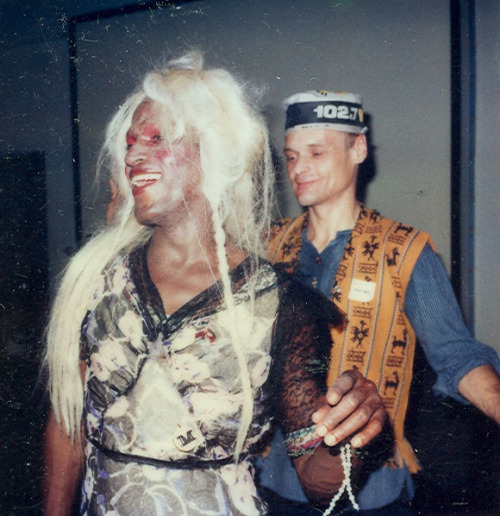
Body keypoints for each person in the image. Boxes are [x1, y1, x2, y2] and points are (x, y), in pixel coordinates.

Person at [42, 57, 390, 515]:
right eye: (129, 143)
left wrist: (355, 431)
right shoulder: (98, 279)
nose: (131, 157)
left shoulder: (276, 305)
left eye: (156, 139)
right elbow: (68, 422)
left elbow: (318, 483)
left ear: (215, 153)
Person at [257, 90, 500, 513]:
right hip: (271, 484)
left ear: (359, 149)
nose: (300, 168)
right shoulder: (265, 245)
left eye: (316, 152)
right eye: (292, 156)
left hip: (368, 494)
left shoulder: (404, 251)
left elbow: (458, 357)